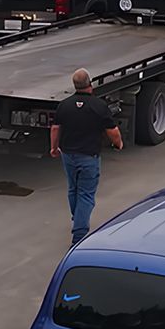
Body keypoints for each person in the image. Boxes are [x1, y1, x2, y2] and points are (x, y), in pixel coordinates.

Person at [49, 68, 123, 244]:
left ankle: (78, 218)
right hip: (89, 156)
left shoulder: (64, 105)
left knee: (73, 188)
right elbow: (113, 131)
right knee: (86, 194)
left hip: (68, 155)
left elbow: (55, 128)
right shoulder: (99, 106)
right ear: (90, 84)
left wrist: (54, 148)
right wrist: (118, 144)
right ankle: (79, 236)